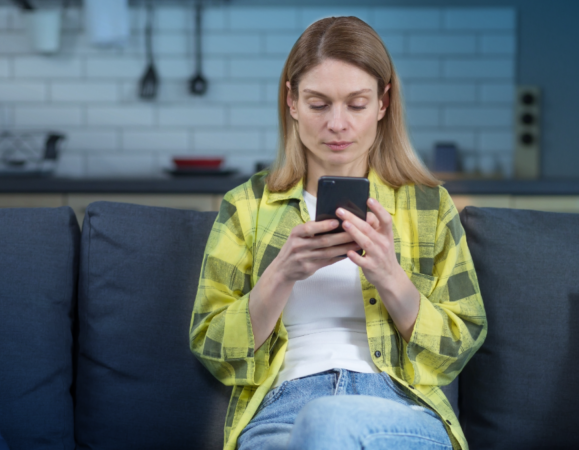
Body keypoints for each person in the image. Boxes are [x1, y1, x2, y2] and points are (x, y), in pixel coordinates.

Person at [189, 16, 487, 450]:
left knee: (330, 426)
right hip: (283, 412)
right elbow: (212, 346)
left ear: (383, 103)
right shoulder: (247, 205)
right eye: (318, 103)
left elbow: (458, 347)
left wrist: (389, 276)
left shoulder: (428, 205)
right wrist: (281, 273)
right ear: (291, 102)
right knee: (320, 429)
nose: (338, 124)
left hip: (397, 407)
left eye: (357, 104)